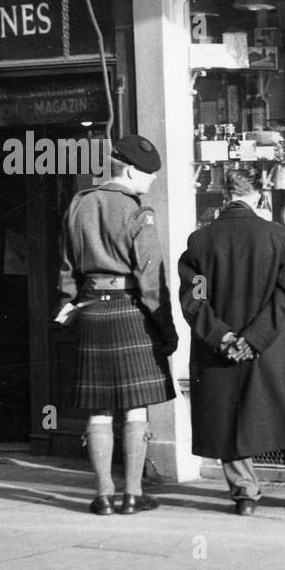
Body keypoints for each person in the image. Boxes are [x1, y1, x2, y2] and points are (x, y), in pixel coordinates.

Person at [177, 168, 285, 515]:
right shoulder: (278, 236)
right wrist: (254, 339)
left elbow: (195, 299)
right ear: (259, 195)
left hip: (218, 348)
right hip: (270, 345)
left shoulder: (199, 242)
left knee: (228, 415)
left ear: (225, 195)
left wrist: (224, 337)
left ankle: (244, 494)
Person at [58, 135, 178, 515]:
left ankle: (103, 495)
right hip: (130, 311)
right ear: (129, 170)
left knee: (97, 408)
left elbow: (65, 272)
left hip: (91, 311)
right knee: (135, 408)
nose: (152, 181)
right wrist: (166, 329)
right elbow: (151, 280)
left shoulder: (79, 205)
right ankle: (132, 494)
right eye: (148, 174)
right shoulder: (138, 213)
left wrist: (69, 310)